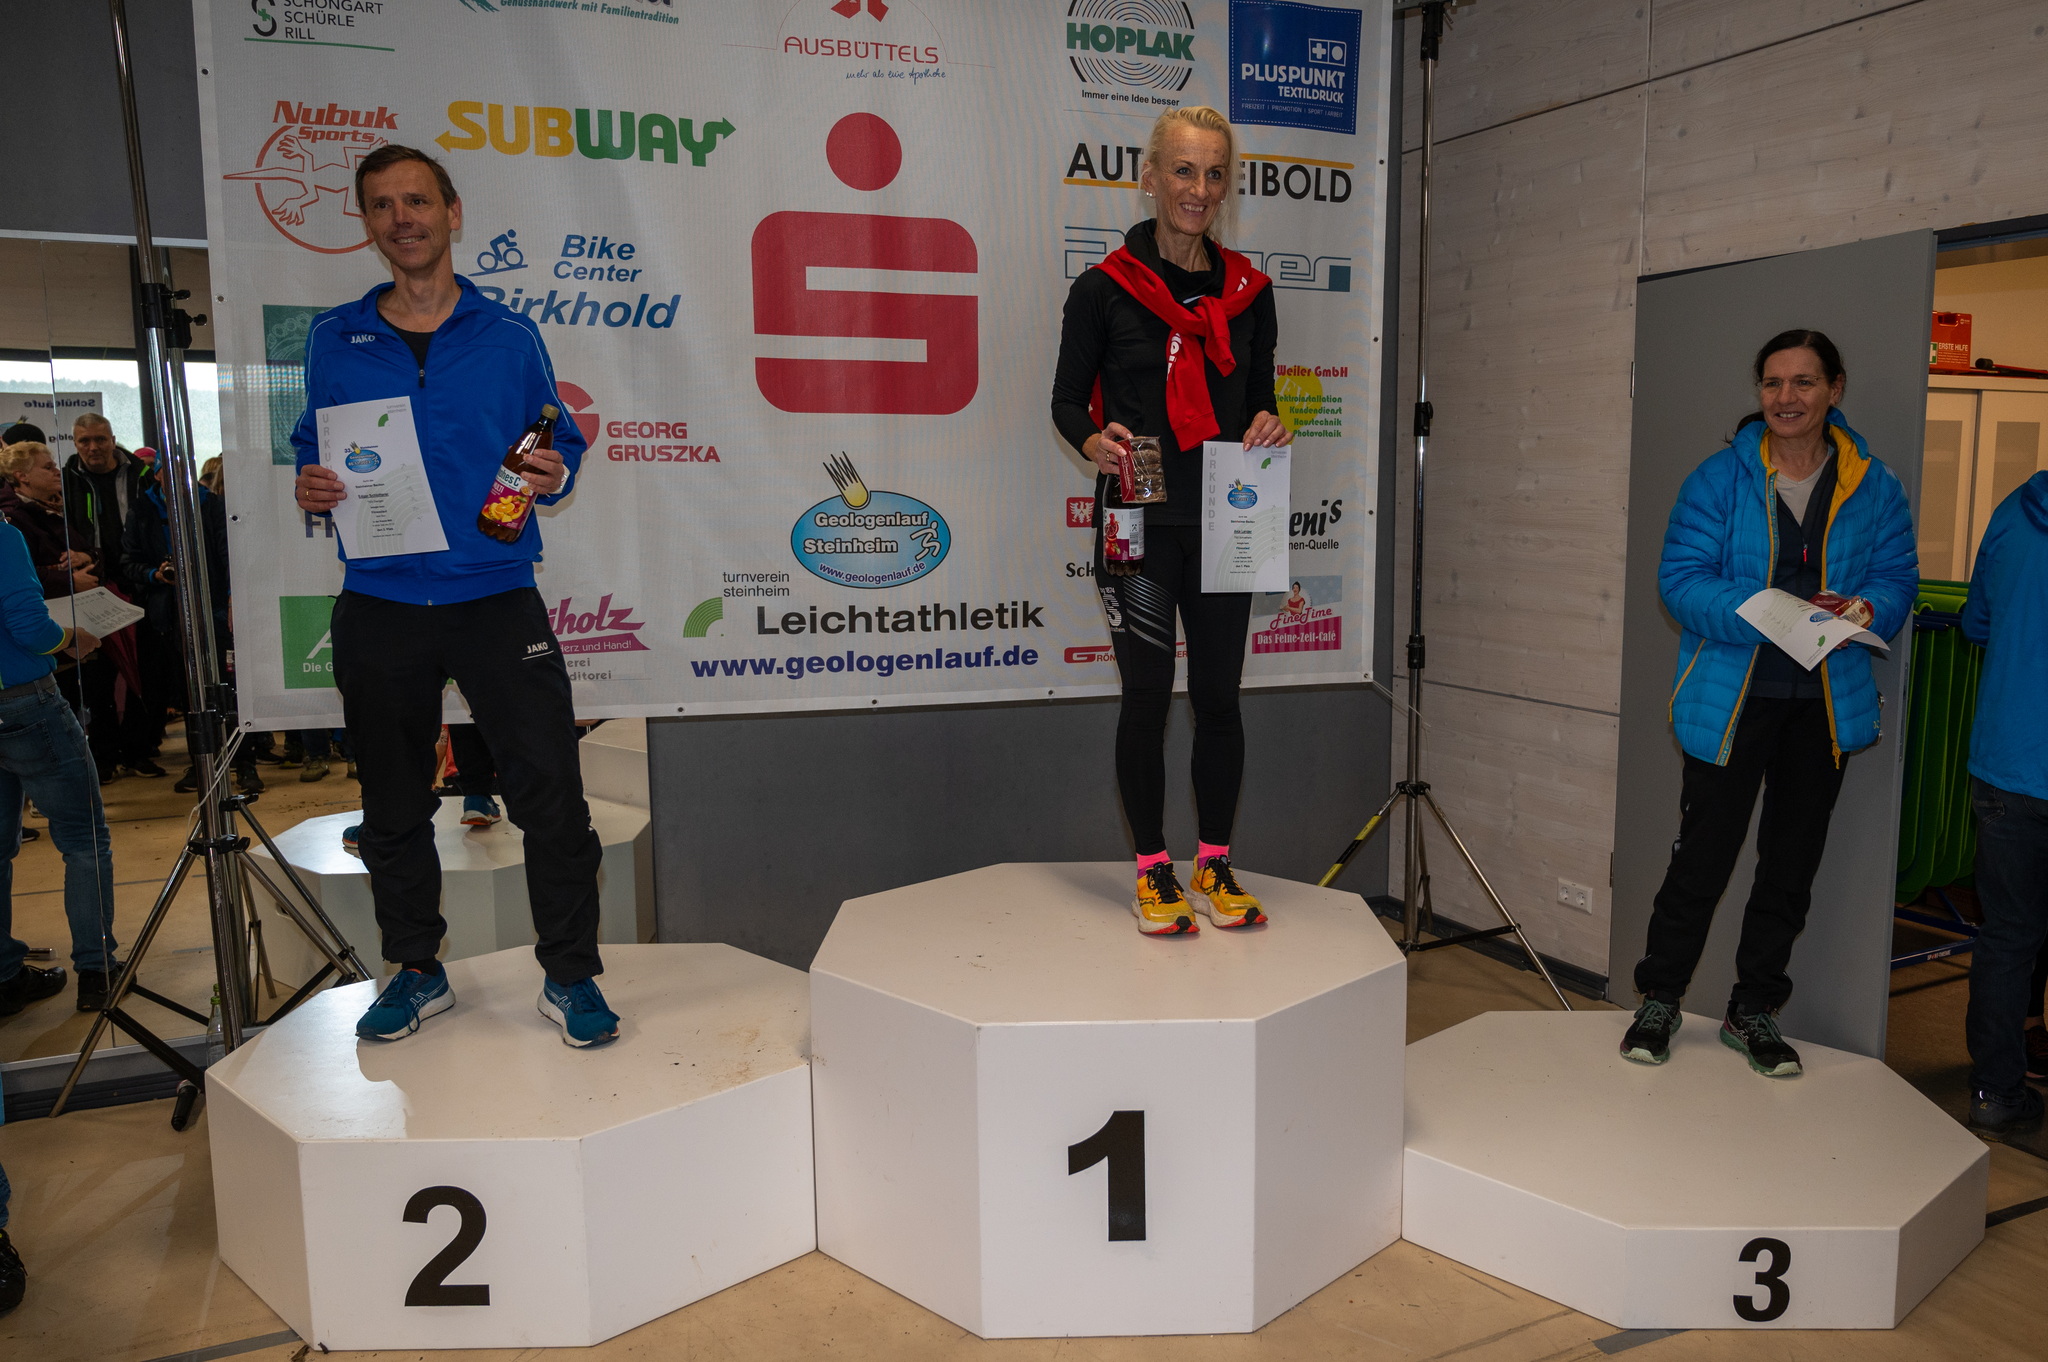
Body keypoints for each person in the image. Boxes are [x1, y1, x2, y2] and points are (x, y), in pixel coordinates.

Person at [292, 144, 614, 1048]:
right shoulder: (334, 337)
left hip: (494, 593)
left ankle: (572, 975)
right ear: (367, 223)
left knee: (550, 794)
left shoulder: (508, 334)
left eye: (418, 200)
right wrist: (310, 481)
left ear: (451, 212)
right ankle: (416, 970)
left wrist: (554, 471)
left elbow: (559, 439)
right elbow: (312, 443)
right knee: (392, 802)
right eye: (383, 204)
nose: (403, 218)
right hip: (381, 598)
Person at [1623, 330, 1917, 1077]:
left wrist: (1863, 610)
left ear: (1834, 390)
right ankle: (1660, 998)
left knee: (1790, 867)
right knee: (1701, 861)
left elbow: (1896, 579)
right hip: (1730, 704)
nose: (1787, 398)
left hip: (1823, 707)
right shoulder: (1716, 479)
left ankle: (1754, 1009)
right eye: (1773, 383)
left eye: (1804, 383)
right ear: (1759, 393)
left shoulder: (1875, 485)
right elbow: (1680, 582)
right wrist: (1762, 611)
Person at [1050, 105, 1287, 936]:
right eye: (1183, 170)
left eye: (1215, 173)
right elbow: (1065, 402)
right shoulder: (1103, 289)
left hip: (1227, 519)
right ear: (1150, 177)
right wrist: (1094, 439)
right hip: (1138, 523)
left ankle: (1213, 862)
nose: (1199, 189)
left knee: (1219, 699)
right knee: (1148, 699)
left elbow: (1258, 400)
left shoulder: (1250, 293)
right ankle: (1154, 870)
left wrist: (1270, 423)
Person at [0, 518, 121, 1018]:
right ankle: (97, 971)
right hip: (23, 702)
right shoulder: (3, 536)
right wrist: (71, 637)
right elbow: (31, 628)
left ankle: (4, 979)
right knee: (83, 839)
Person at [1959, 469, 2048, 1137]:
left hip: (2008, 762)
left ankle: (1995, 1090)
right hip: (2014, 763)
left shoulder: (2016, 511)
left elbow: (1977, 622)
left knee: (2008, 936)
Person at [123, 457, 257, 794]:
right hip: (168, 616)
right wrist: (154, 574)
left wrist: (232, 599)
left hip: (215, 610)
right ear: (157, 475)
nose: (175, 477)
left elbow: (231, 556)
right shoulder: (142, 510)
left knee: (231, 688)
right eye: (167, 470)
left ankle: (245, 764)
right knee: (189, 693)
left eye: (182, 469)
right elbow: (129, 561)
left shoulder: (212, 505)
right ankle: (202, 766)